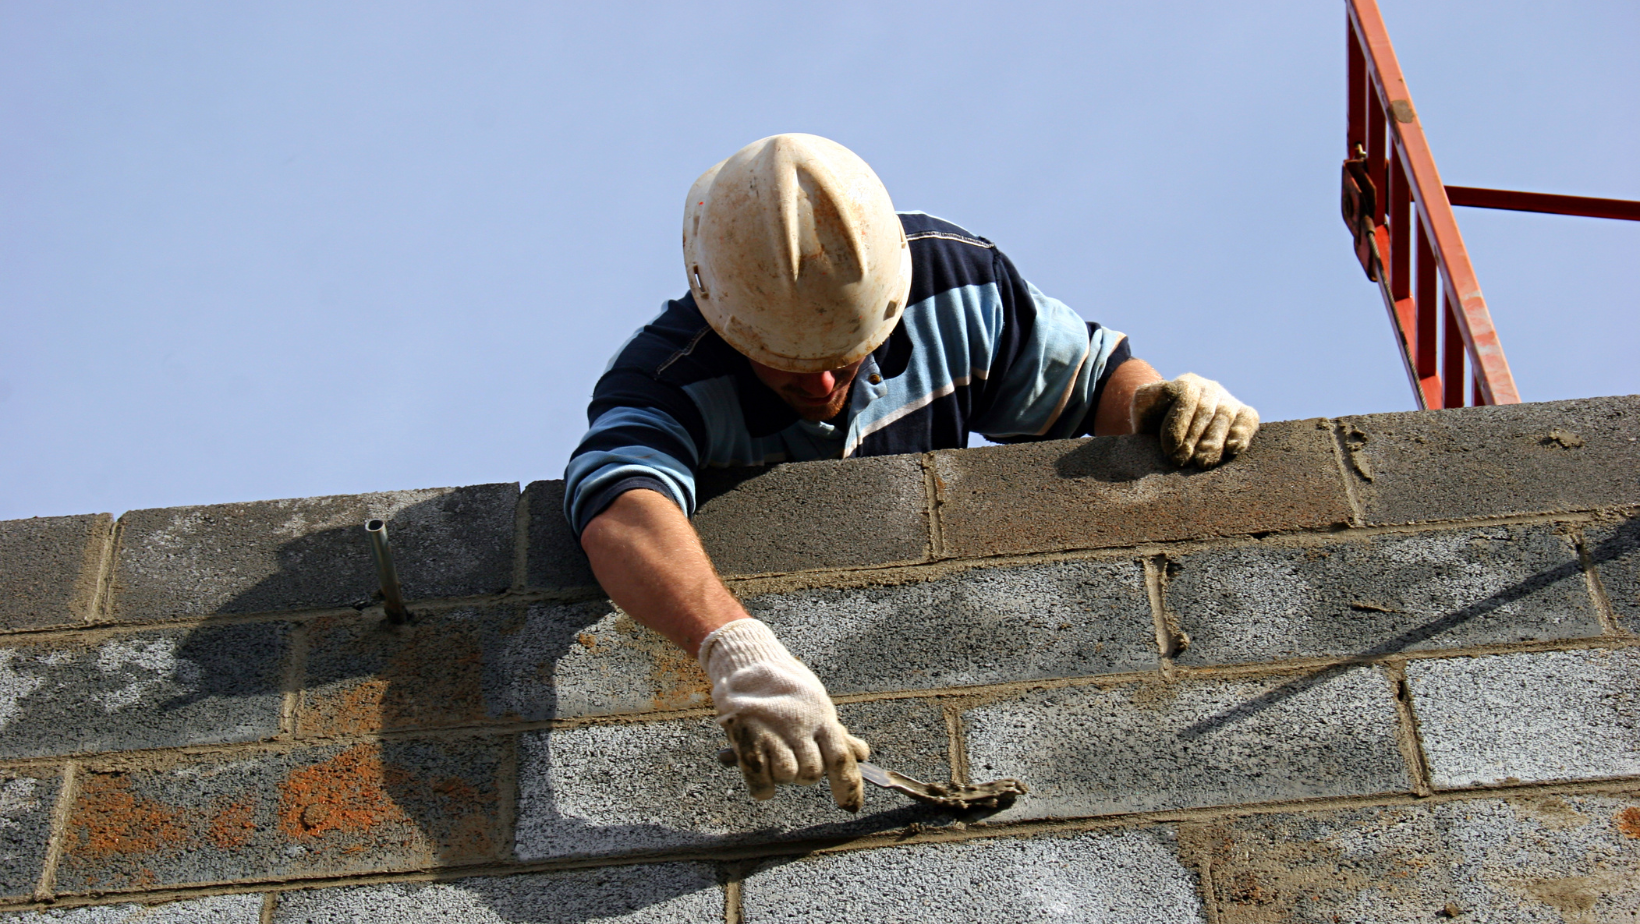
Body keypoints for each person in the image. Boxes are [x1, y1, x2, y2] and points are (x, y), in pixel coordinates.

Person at [565, 134, 1259, 814]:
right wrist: (738, 655)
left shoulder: (955, 282)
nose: (827, 378)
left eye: (846, 347)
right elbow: (621, 508)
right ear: (722, 319)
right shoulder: (666, 378)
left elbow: (1095, 381)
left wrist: (1158, 405)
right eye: (788, 359)